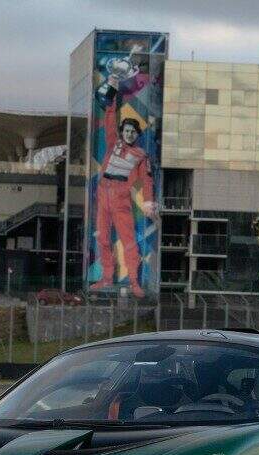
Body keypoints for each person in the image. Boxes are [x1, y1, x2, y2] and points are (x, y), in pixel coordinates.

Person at [90, 77, 157, 298]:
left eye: (133, 132)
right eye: (126, 130)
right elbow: (110, 116)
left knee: (128, 241)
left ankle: (135, 281)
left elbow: (147, 180)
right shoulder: (113, 143)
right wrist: (113, 91)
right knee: (102, 238)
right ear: (122, 131)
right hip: (103, 192)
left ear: (137, 135)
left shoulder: (140, 155)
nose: (129, 134)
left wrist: (148, 201)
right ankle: (106, 277)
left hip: (120, 198)